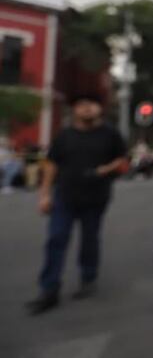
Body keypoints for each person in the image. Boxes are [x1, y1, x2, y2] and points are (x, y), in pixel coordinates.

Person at [25, 95, 127, 314]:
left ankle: (88, 278)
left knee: (89, 240)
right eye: (82, 105)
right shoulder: (64, 135)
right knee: (56, 239)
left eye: (92, 104)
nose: (87, 108)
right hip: (64, 196)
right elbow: (51, 165)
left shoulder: (110, 134)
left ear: (99, 109)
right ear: (75, 111)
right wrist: (44, 195)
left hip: (95, 197)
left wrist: (104, 170)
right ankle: (49, 289)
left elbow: (122, 160)